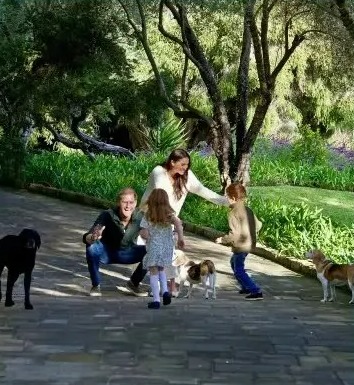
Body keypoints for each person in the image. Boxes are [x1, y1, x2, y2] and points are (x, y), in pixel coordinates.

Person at [140, 148, 229, 295]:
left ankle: (167, 288)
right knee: (151, 253)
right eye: (182, 164)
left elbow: (203, 191)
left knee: (166, 254)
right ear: (172, 162)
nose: (185, 168)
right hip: (150, 217)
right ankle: (149, 284)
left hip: (169, 221)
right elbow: (162, 198)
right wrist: (174, 220)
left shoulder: (186, 176)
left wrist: (225, 202)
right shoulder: (159, 172)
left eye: (187, 165)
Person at [83, 187, 147, 297]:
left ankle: (133, 283)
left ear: (136, 203)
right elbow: (87, 237)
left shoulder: (140, 216)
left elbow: (151, 232)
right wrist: (93, 237)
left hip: (128, 252)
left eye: (131, 202)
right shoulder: (107, 215)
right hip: (107, 253)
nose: (128, 206)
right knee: (92, 247)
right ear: (118, 202)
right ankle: (96, 285)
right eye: (124, 202)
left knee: (153, 251)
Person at [215, 182, 264, 300]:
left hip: (241, 246)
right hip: (249, 244)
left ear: (233, 198)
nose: (226, 198)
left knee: (238, 270)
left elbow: (234, 234)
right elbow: (259, 225)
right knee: (234, 263)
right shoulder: (248, 210)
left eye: (227, 196)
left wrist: (222, 239)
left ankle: (255, 290)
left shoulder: (233, 213)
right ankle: (245, 287)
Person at [139, 188, 185, 309]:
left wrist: (146, 236)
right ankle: (165, 292)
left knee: (153, 271)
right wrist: (181, 238)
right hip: (167, 247)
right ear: (166, 201)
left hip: (154, 247)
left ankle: (156, 300)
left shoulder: (148, 215)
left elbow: (143, 233)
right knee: (161, 269)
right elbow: (179, 225)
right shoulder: (170, 215)